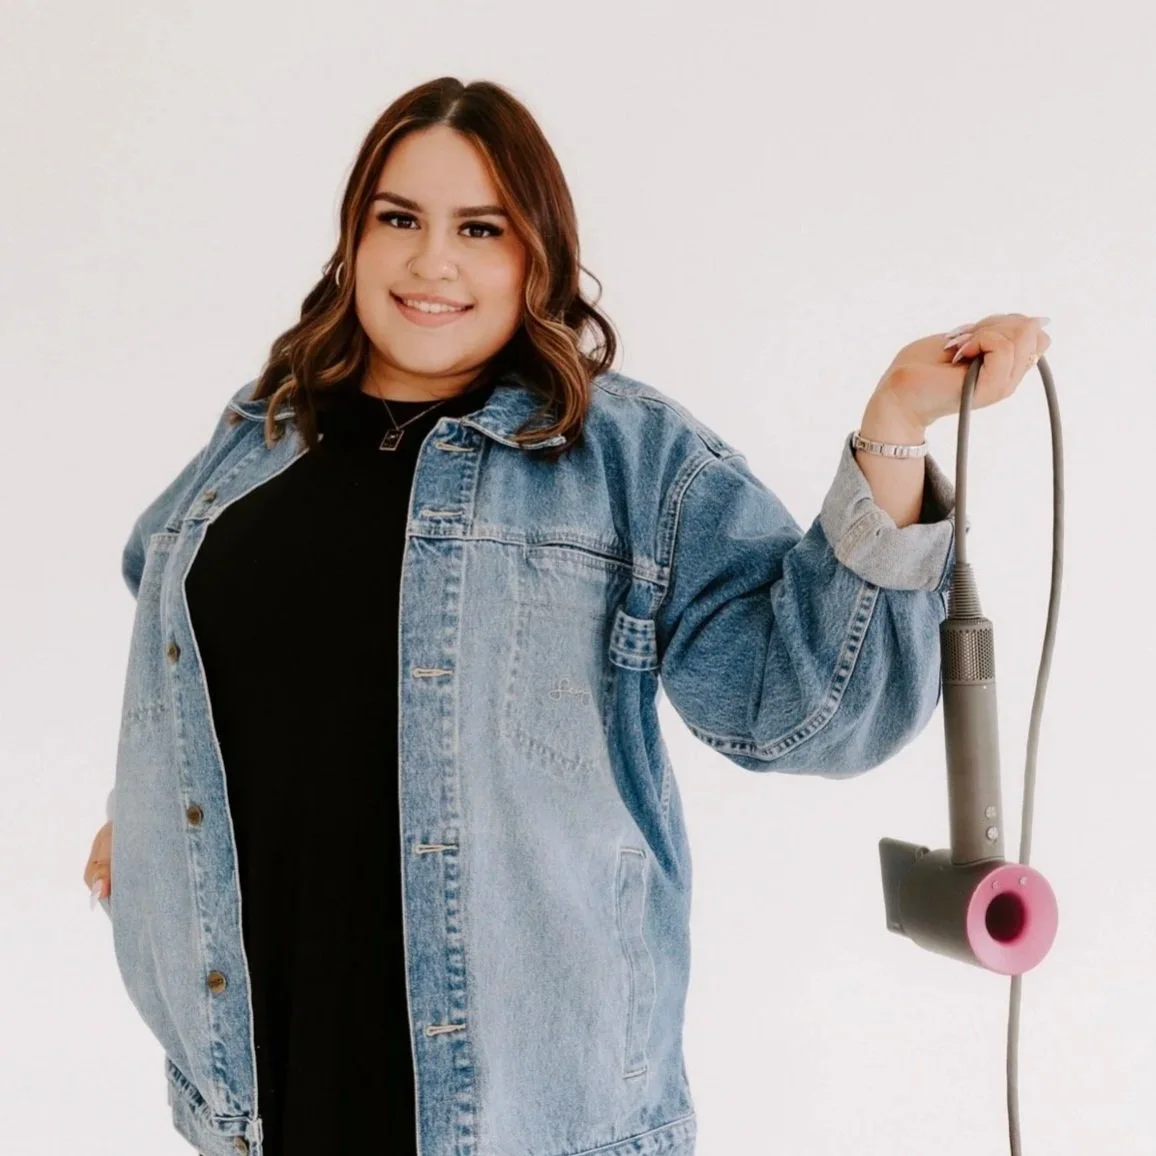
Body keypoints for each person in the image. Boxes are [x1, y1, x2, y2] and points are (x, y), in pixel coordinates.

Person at [82, 75, 1050, 1156]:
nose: (431, 261)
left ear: (536, 254)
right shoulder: (264, 429)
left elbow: (804, 710)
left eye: (479, 228)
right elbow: (165, 598)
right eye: (398, 218)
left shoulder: (623, 457)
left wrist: (895, 427)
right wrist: (146, 804)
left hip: (533, 1118)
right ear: (353, 238)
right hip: (267, 1097)